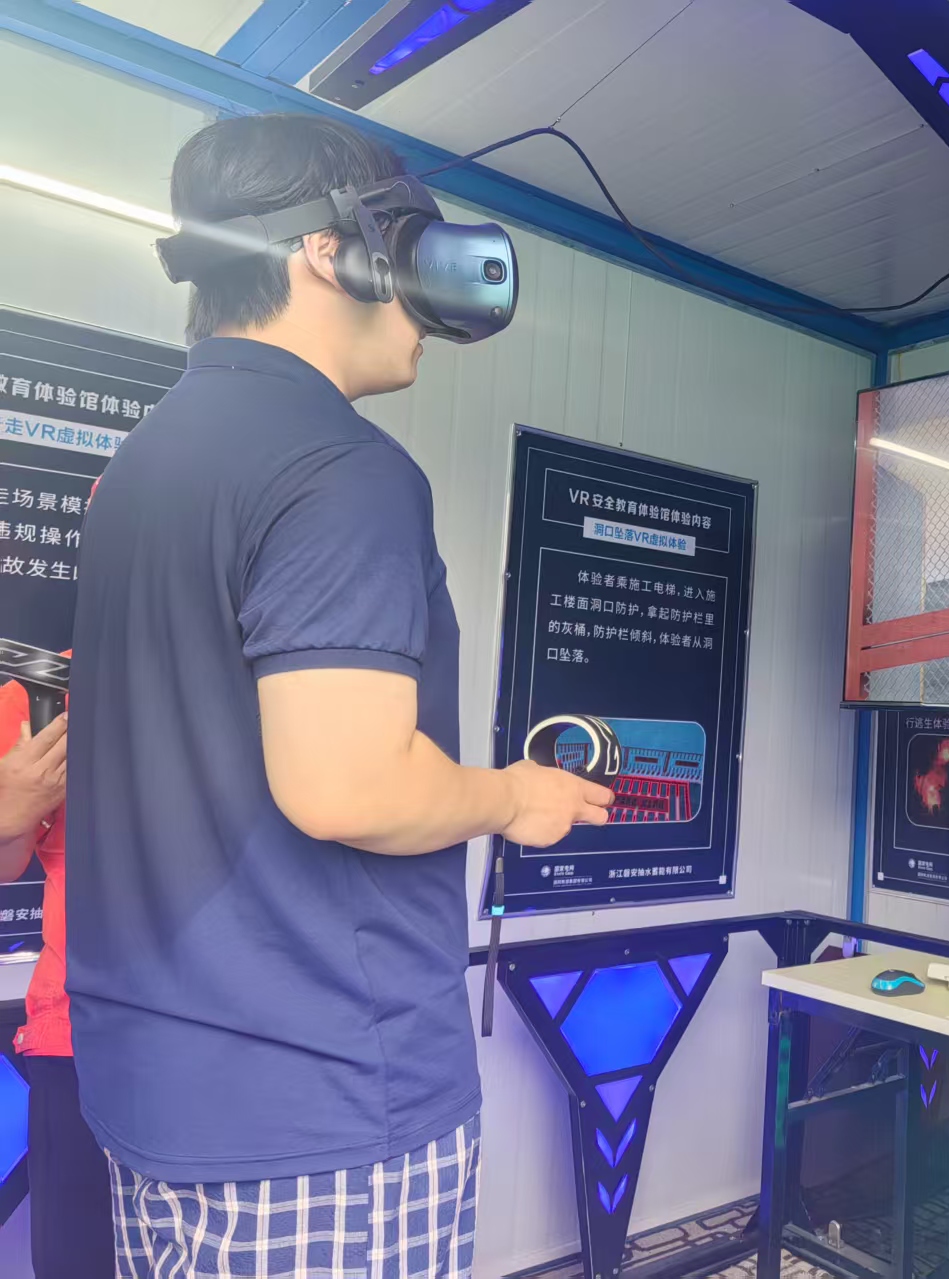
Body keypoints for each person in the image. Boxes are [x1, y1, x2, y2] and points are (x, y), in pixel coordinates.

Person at [66, 113, 612, 1276]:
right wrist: (513, 795)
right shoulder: (339, 467)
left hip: (154, 1092)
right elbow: (348, 787)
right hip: (321, 1112)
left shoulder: (143, 466)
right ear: (330, 252)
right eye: (405, 240)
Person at [0, 690, 113, 1279]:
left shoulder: (282, 677)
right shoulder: (39, 690)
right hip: (78, 1034)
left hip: (244, 1034)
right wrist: (9, 812)